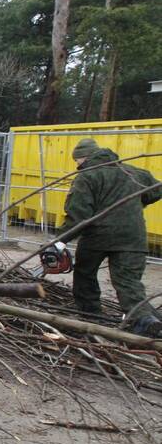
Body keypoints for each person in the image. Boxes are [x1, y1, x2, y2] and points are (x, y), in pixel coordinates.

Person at [56, 137, 162, 336]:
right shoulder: (133, 172)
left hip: (97, 236)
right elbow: (156, 192)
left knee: (85, 273)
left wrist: (59, 241)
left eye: (77, 161)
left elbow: (79, 215)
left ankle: (91, 314)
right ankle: (144, 320)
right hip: (133, 237)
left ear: (83, 158)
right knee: (128, 281)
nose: (77, 165)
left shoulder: (86, 176)